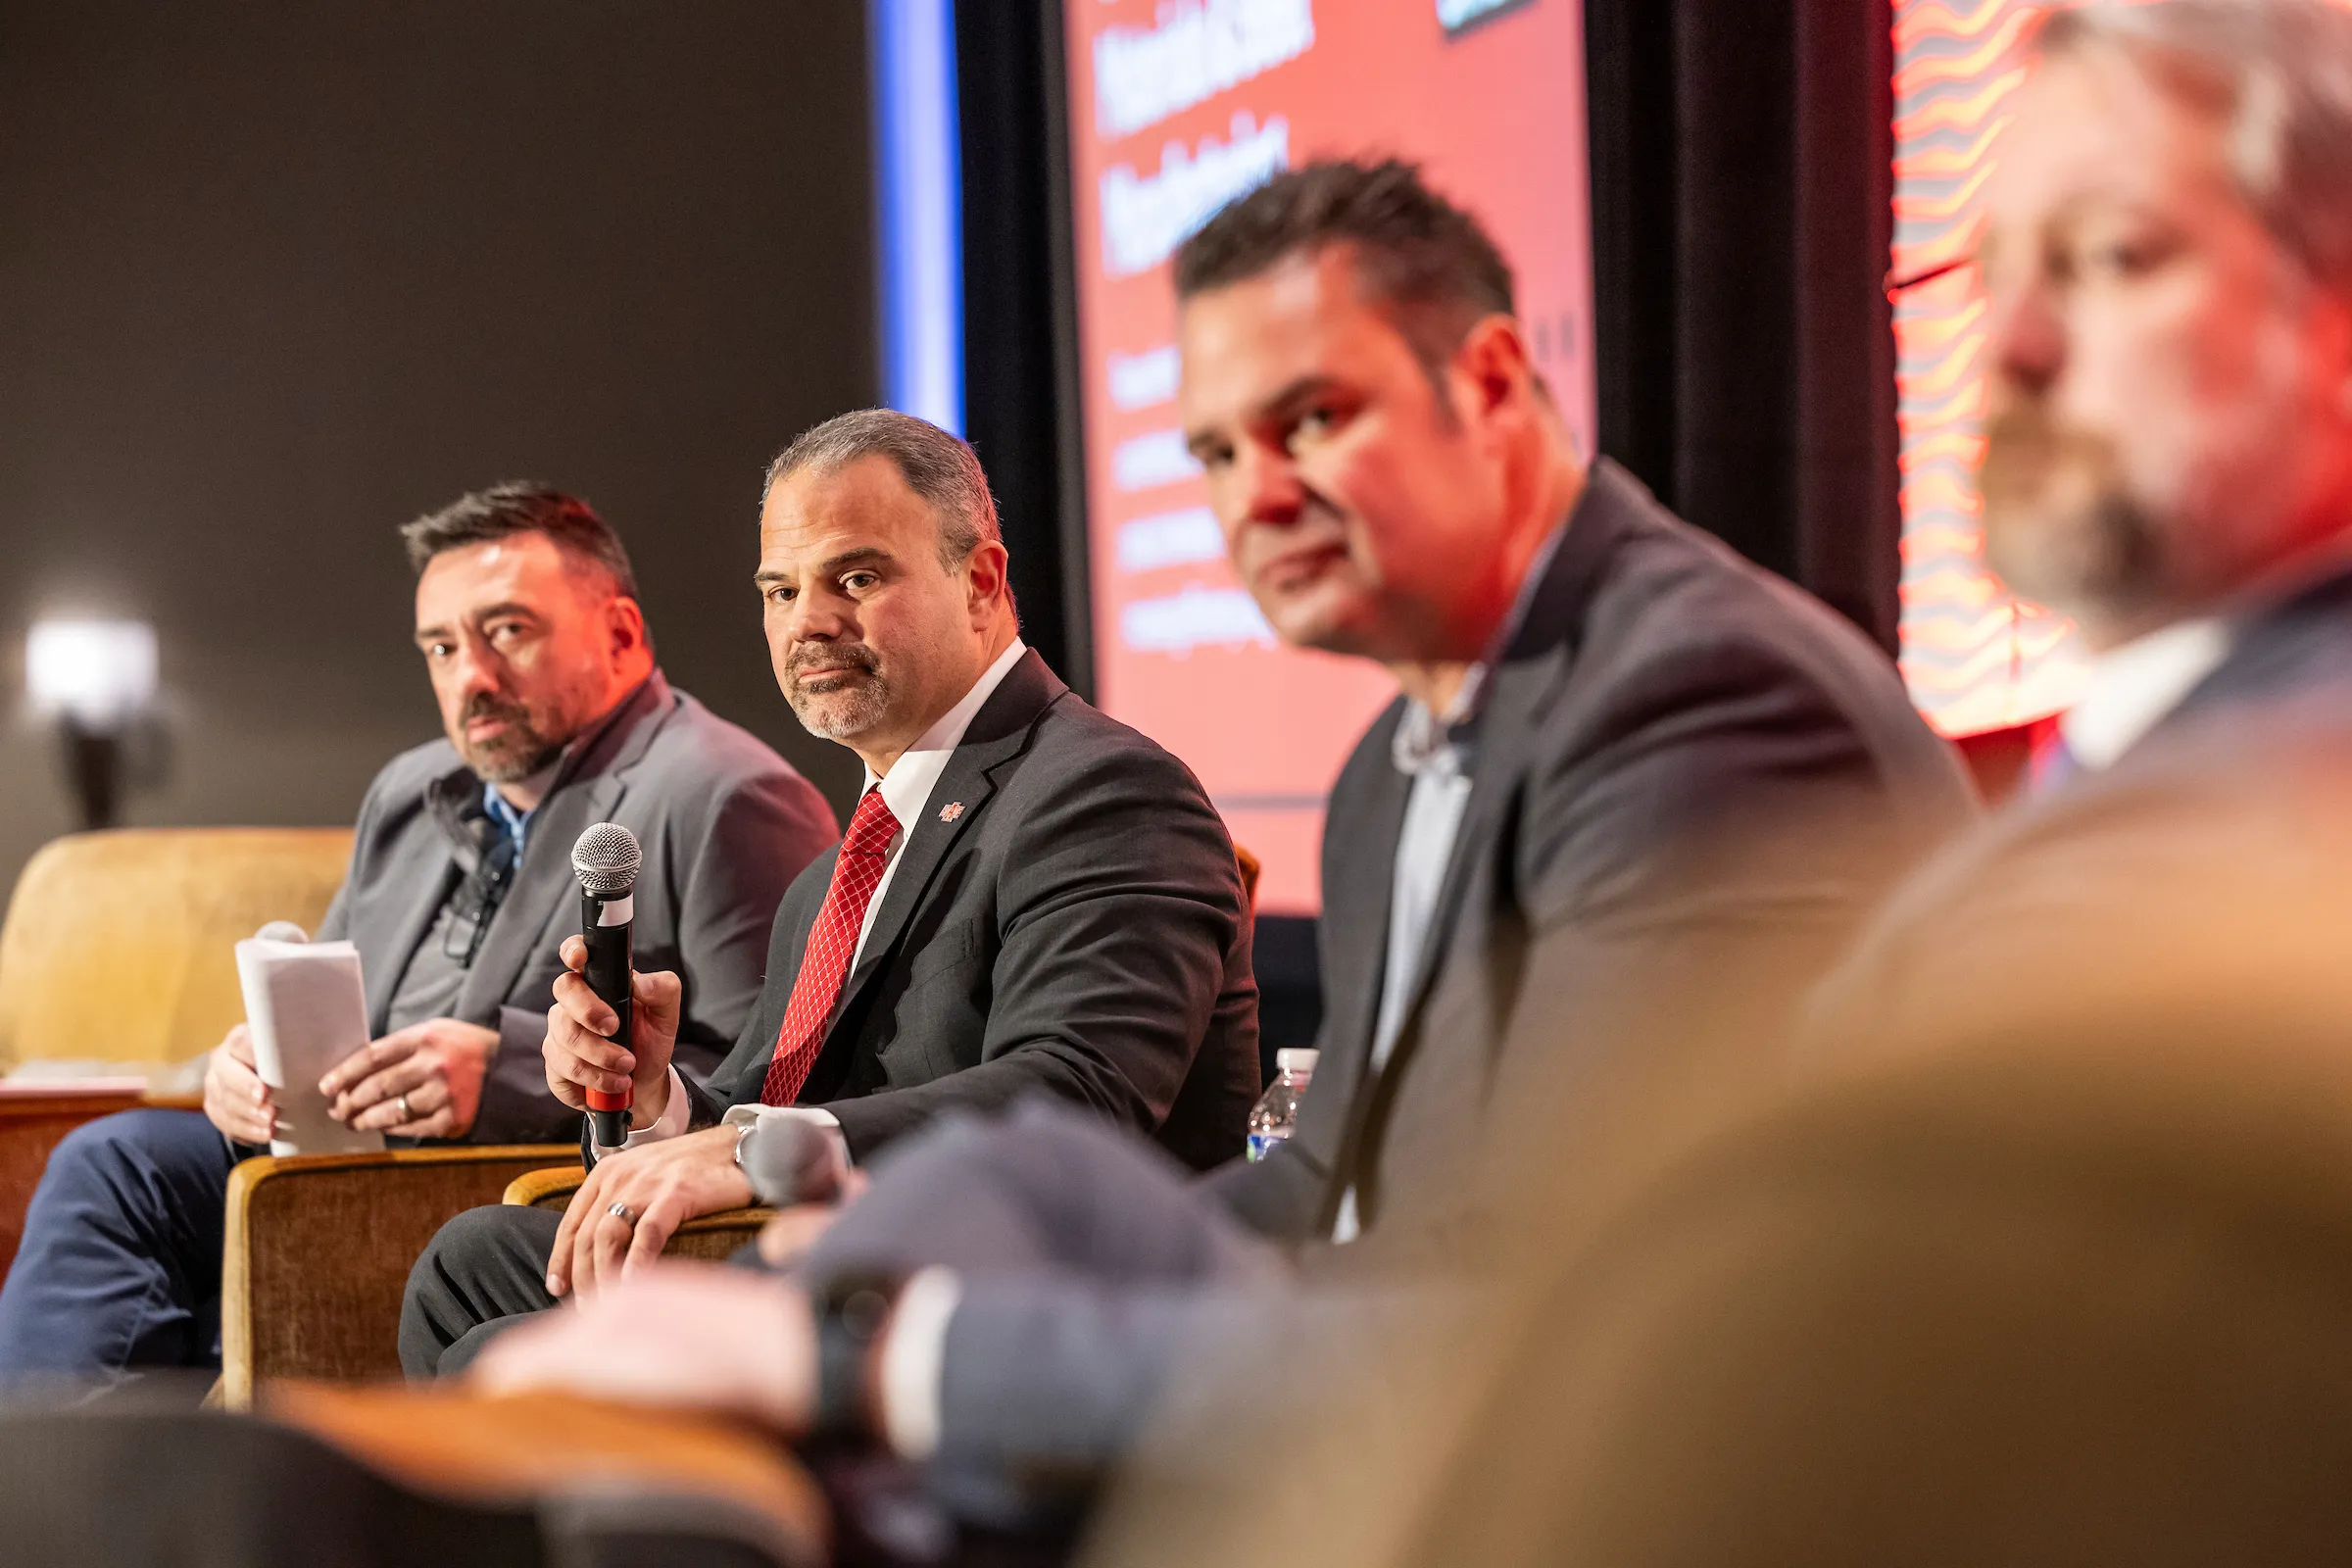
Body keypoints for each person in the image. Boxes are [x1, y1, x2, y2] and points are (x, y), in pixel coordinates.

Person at [463, 160, 1977, 1523]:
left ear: (1493, 384)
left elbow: (1578, 1312)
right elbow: (1319, 1183)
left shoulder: (1692, 704)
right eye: (1217, 451)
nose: (1259, 496)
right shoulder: (1394, 766)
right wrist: (914, 1274)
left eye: (1312, 419)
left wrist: (903, 1354)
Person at [399, 411, 1261, 1373]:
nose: (807, 621)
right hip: (829, 1248)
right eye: (781, 589)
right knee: (468, 1265)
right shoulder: (837, 870)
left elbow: (1074, 1092)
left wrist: (750, 1149)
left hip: (1008, 1295)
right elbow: (765, 1105)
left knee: (505, 1350)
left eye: (856, 578)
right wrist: (658, 1099)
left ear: (980, 583)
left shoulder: (1103, 790)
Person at [0, 483, 838, 1389]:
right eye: (441, 647)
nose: (470, 675)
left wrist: (502, 1076)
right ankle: (65, 1466)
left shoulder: (727, 796)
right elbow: (328, 996)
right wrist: (250, 1067)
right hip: (330, 1157)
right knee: (114, 1163)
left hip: (488, 1179)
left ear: (621, 634)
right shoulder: (411, 787)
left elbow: (772, 1085)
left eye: (508, 631)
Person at [1810, 0, 2352, 1054]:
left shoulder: (2244, 845)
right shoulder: (2142, 760)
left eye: (2109, 255)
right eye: (1990, 273)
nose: (2009, 344)